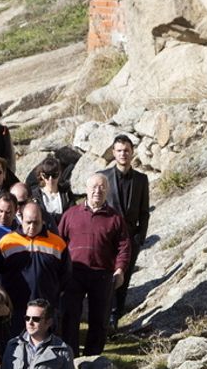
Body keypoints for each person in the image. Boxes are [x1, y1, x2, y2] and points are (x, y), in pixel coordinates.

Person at [58, 173, 131, 357]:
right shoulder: (71, 215)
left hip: (103, 274)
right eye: (94, 187)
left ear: (107, 190)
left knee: (99, 319)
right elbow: (59, 243)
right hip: (74, 272)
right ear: (86, 189)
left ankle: (92, 358)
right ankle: (70, 356)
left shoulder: (115, 218)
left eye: (102, 187)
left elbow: (124, 246)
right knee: (70, 316)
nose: (97, 191)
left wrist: (120, 270)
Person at [0, 202, 71, 337]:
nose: (31, 227)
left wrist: (54, 294)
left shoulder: (58, 244)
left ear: (43, 221)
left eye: (36, 222)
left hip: (46, 309)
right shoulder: (6, 243)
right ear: (21, 219)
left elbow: (65, 275)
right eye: (28, 222)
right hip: (16, 308)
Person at [99, 134, 150, 328]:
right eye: (119, 151)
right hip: (107, 238)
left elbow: (144, 212)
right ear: (113, 153)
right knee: (106, 278)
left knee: (124, 279)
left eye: (126, 150)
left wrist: (140, 238)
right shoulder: (103, 176)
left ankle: (115, 318)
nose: (123, 154)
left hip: (131, 240)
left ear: (132, 152)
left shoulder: (141, 179)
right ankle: (104, 316)